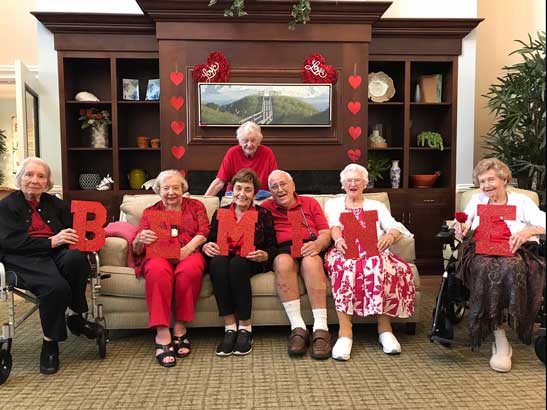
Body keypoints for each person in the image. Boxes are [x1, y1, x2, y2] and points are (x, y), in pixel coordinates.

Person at [0, 157, 101, 375]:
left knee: (76, 259)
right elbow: (10, 243)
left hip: (56, 252)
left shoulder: (55, 203)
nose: (34, 180)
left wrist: (92, 233)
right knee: (56, 288)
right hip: (24, 257)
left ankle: (75, 315)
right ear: (20, 178)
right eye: (29, 174)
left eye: (41, 176)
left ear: (47, 182)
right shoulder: (6, 206)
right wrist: (50, 241)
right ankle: (50, 343)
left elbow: (78, 227)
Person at [454, 158, 545, 373]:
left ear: (504, 179)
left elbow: (543, 223)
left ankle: (509, 319)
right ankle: (499, 333)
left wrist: (528, 231)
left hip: (515, 250)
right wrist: (461, 227)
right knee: (485, 268)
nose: (486, 185)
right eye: (482, 181)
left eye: (491, 180)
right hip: (481, 251)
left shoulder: (522, 202)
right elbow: (465, 222)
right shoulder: (477, 200)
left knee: (511, 267)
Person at [323, 164, 415, 361]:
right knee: (345, 268)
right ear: (343, 184)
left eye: (357, 180)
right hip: (344, 250)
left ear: (365, 184)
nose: (353, 184)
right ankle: (345, 333)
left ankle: (385, 330)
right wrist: (338, 240)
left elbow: (394, 225)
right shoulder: (334, 204)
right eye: (349, 180)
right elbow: (333, 226)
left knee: (382, 267)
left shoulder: (376, 206)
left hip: (373, 251)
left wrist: (390, 236)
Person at [133, 170, 210, 367]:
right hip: (159, 254)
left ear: (183, 189)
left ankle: (180, 327)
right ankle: (162, 332)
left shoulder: (196, 206)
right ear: (158, 190)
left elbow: (204, 231)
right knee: (157, 271)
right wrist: (140, 239)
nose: (171, 192)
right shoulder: (150, 212)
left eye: (176, 188)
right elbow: (137, 248)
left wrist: (188, 249)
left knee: (189, 270)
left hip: (188, 251)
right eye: (166, 188)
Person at [202, 169, 277, 356]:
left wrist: (265, 255)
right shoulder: (220, 213)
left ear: (255, 193)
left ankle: (245, 328)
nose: (242, 194)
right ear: (231, 190)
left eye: (248, 189)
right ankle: (230, 327)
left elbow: (273, 246)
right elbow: (210, 240)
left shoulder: (263, 214)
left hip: (250, 260)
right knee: (218, 263)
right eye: (238, 188)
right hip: (225, 257)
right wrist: (206, 246)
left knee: (237, 265)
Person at [261, 170, 332, 360]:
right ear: (270, 191)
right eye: (274, 187)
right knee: (282, 262)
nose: (280, 189)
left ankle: (321, 327)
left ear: (293, 185)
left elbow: (325, 232)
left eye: (283, 184)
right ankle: (298, 327)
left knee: (311, 262)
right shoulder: (265, 207)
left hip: (310, 246)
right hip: (284, 249)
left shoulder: (310, 203)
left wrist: (318, 244)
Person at [204, 121, 278, 197]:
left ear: (259, 141)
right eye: (246, 141)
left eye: (253, 140)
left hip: (261, 195)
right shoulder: (232, 153)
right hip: (235, 195)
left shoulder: (267, 152)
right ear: (240, 141)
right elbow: (219, 182)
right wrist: (204, 201)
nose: (249, 145)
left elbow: (275, 179)